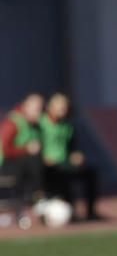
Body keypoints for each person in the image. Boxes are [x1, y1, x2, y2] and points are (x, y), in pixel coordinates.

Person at [40, 92, 101, 221]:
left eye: (65, 105)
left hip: (64, 161)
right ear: (49, 106)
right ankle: (69, 212)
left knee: (90, 173)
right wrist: (42, 157)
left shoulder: (67, 125)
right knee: (61, 176)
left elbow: (72, 146)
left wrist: (76, 154)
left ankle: (90, 212)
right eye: (59, 105)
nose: (63, 108)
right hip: (46, 165)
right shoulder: (41, 124)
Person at [0, 92, 45, 207]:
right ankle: (33, 198)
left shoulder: (35, 125)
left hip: (22, 165)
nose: (39, 113)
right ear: (25, 106)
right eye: (36, 108)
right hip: (6, 165)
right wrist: (26, 149)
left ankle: (41, 197)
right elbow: (5, 150)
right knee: (32, 160)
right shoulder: (12, 122)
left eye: (41, 108)